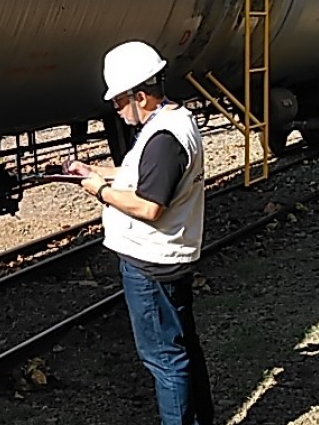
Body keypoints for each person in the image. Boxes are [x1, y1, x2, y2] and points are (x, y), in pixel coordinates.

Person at [68, 40, 213, 425]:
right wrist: (98, 173)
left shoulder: (164, 138)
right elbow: (145, 177)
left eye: (118, 101)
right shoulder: (171, 123)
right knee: (182, 348)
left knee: (165, 360)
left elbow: (150, 206)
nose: (116, 109)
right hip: (167, 257)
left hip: (151, 265)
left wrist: (98, 191)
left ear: (141, 95)